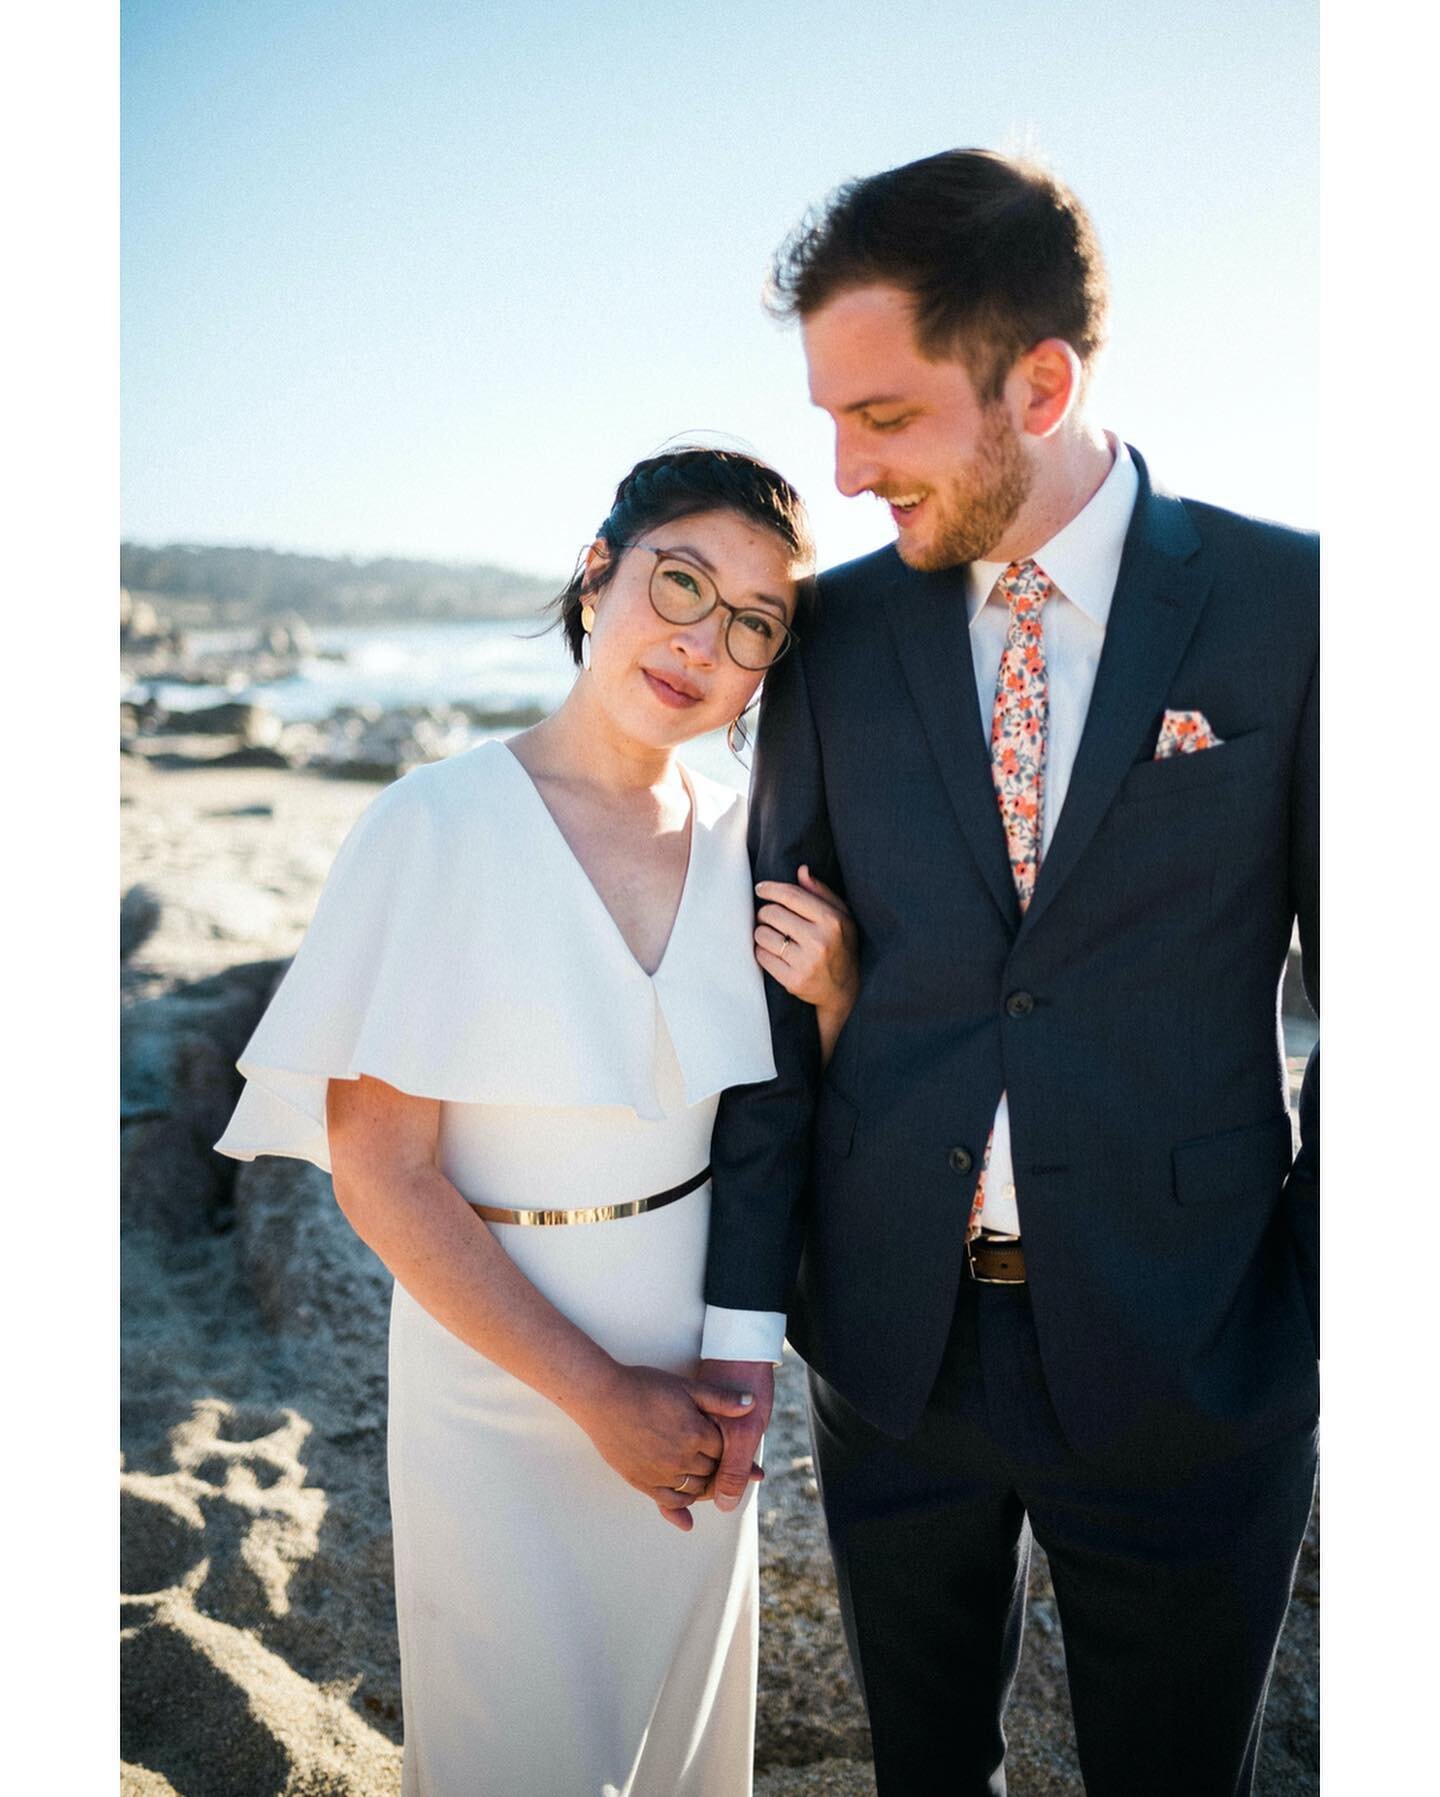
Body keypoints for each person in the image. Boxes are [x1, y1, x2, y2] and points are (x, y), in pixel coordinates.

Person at [700, 149, 1319, 1796]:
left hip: (1198, 1348)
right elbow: (774, 999)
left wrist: (1315, 1308)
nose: (840, 471)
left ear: (1038, 381)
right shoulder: (830, 638)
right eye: (829, 417)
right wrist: (747, 1319)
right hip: (891, 1350)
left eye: (884, 417)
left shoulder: (1300, 609)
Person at [215, 447, 860, 1797]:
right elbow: (382, 1172)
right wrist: (594, 1393)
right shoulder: (433, 824)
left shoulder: (759, 831)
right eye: (680, 580)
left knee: (684, 1743)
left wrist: (843, 991)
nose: (704, 639)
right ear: (597, 571)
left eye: (753, 622)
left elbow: (797, 1119)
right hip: (495, 1378)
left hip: (705, 1362)